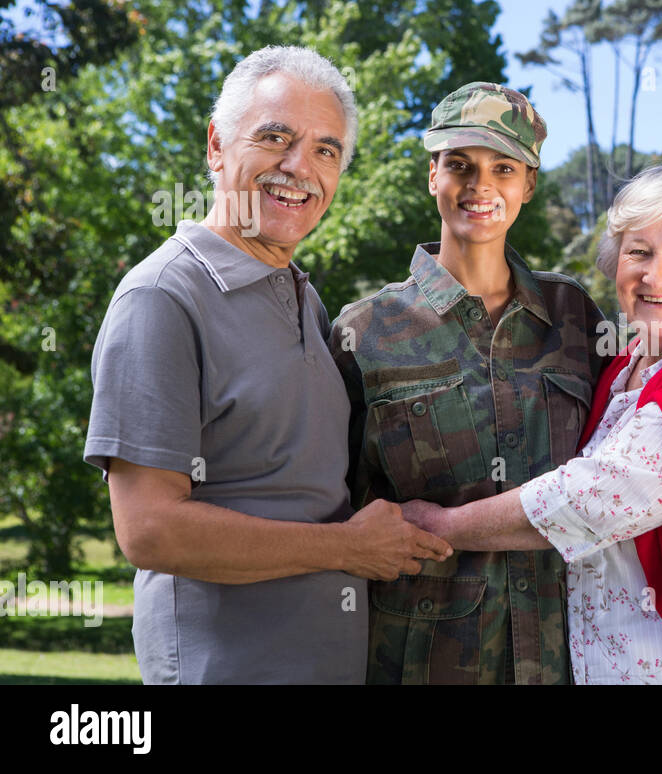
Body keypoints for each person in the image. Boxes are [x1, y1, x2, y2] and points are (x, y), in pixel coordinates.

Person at [329, 84, 662, 684]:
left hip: (566, 661)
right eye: (459, 164)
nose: (479, 186)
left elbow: (635, 431)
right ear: (432, 174)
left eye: (503, 168)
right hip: (423, 662)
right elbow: (337, 512)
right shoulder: (366, 331)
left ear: (528, 185)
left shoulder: (572, 315)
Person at [84, 46, 450, 685]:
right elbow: (148, 530)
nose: (298, 167)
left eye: (325, 151)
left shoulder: (305, 299)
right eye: (275, 136)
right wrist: (349, 548)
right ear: (216, 145)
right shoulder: (163, 298)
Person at [402, 164, 662, 684]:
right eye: (639, 252)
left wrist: (437, 527)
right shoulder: (625, 367)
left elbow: (596, 499)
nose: (656, 276)